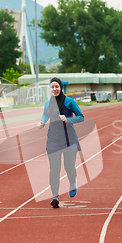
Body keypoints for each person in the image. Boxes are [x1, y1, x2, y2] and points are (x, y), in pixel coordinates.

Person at [38, 77, 84, 208]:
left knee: (69, 167)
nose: (54, 89)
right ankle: (55, 196)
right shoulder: (48, 103)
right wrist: (42, 122)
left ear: (61, 87)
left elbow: (81, 116)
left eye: (56, 86)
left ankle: (72, 181)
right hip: (53, 140)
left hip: (68, 139)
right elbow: (45, 114)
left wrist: (68, 119)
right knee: (54, 169)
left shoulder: (69, 102)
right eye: (52, 87)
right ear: (50, 88)